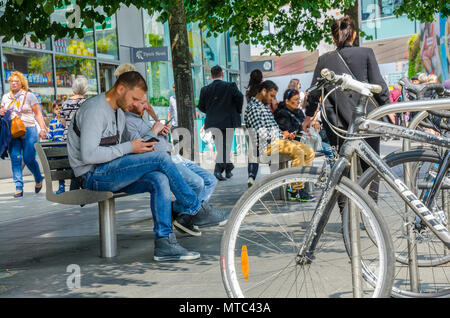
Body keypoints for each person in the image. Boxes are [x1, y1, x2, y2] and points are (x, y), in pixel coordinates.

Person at [67, 71, 229, 261]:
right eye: (134, 98)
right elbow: (89, 154)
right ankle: (194, 209)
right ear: (120, 89)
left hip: (108, 171)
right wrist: (130, 147)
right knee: (160, 158)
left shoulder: (118, 112)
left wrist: (138, 145)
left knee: (158, 179)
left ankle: (164, 243)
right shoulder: (95, 109)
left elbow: (117, 151)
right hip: (91, 175)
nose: (136, 104)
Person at [303, 15, 390, 175]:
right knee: (371, 167)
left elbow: (314, 92)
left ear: (333, 37)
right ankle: (369, 200)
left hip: (337, 122)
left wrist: (308, 117)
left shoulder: (324, 60)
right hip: (366, 119)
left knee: (341, 167)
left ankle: (343, 200)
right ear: (354, 34)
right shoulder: (366, 53)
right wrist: (388, 110)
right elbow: (380, 87)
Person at [123, 96, 219, 237]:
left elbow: (153, 132)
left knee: (210, 180)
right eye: (143, 103)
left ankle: (180, 212)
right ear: (132, 102)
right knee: (197, 183)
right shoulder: (128, 121)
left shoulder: (142, 118)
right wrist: (155, 130)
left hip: (174, 157)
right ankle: (190, 213)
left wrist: (159, 126)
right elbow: (140, 149)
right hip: (163, 161)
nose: (147, 106)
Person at [245, 80, 316, 202]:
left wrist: (284, 135)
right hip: (266, 145)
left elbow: (272, 129)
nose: (273, 99)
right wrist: (281, 135)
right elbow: (261, 134)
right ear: (263, 91)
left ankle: (299, 186)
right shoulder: (254, 108)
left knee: (309, 152)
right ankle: (296, 191)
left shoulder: (262, 106)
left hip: (276, 141)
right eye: (271, 95)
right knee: (298, 152)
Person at [0, 71, 47, 198]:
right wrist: (2, 111)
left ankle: (38, 178)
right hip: (12, 131)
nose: (14, 83)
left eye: (16, 81)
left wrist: (42, 129)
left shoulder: (30, 96)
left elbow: (38, 114)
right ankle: (18, 187)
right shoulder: (5, 97)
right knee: (15, 158)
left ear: (22, 83)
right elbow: (2, 112)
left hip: (29, 130)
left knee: (28, 158)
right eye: (12, 81)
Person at [198, 65, 244, 181]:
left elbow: (201, 106)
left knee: (221, 147)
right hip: (228, 121)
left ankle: (228, 167)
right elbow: (240, 97)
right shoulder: (230, 86)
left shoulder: (205, 89)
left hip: (213, 122)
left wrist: (211, 112)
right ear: (222, 74)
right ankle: (219, 170)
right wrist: (236, 110)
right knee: (225, 147)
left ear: (211, 76)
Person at [245, 69, 263, 187]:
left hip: (251, 124)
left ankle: (251, 175)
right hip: (262, 124)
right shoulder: (264, 90)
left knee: (253, 154)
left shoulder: (248, 92)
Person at [46, 99, 66, 194]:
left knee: (69, 167)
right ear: (54, 110)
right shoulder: (52, 122)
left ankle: (75, 183)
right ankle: (61, 186)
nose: (59, 110)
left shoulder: (65, 120)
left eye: (61, 108)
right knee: (59, 168)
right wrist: (46, 135)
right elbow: (50, 134)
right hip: (56, 148)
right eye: (57, 109)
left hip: (64, 147)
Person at [60, 75, 88, 140]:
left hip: (67, 136)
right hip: (82, 137)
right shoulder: (87, 103)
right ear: (85, 88)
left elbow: (62, 121)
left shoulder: (65, 103)